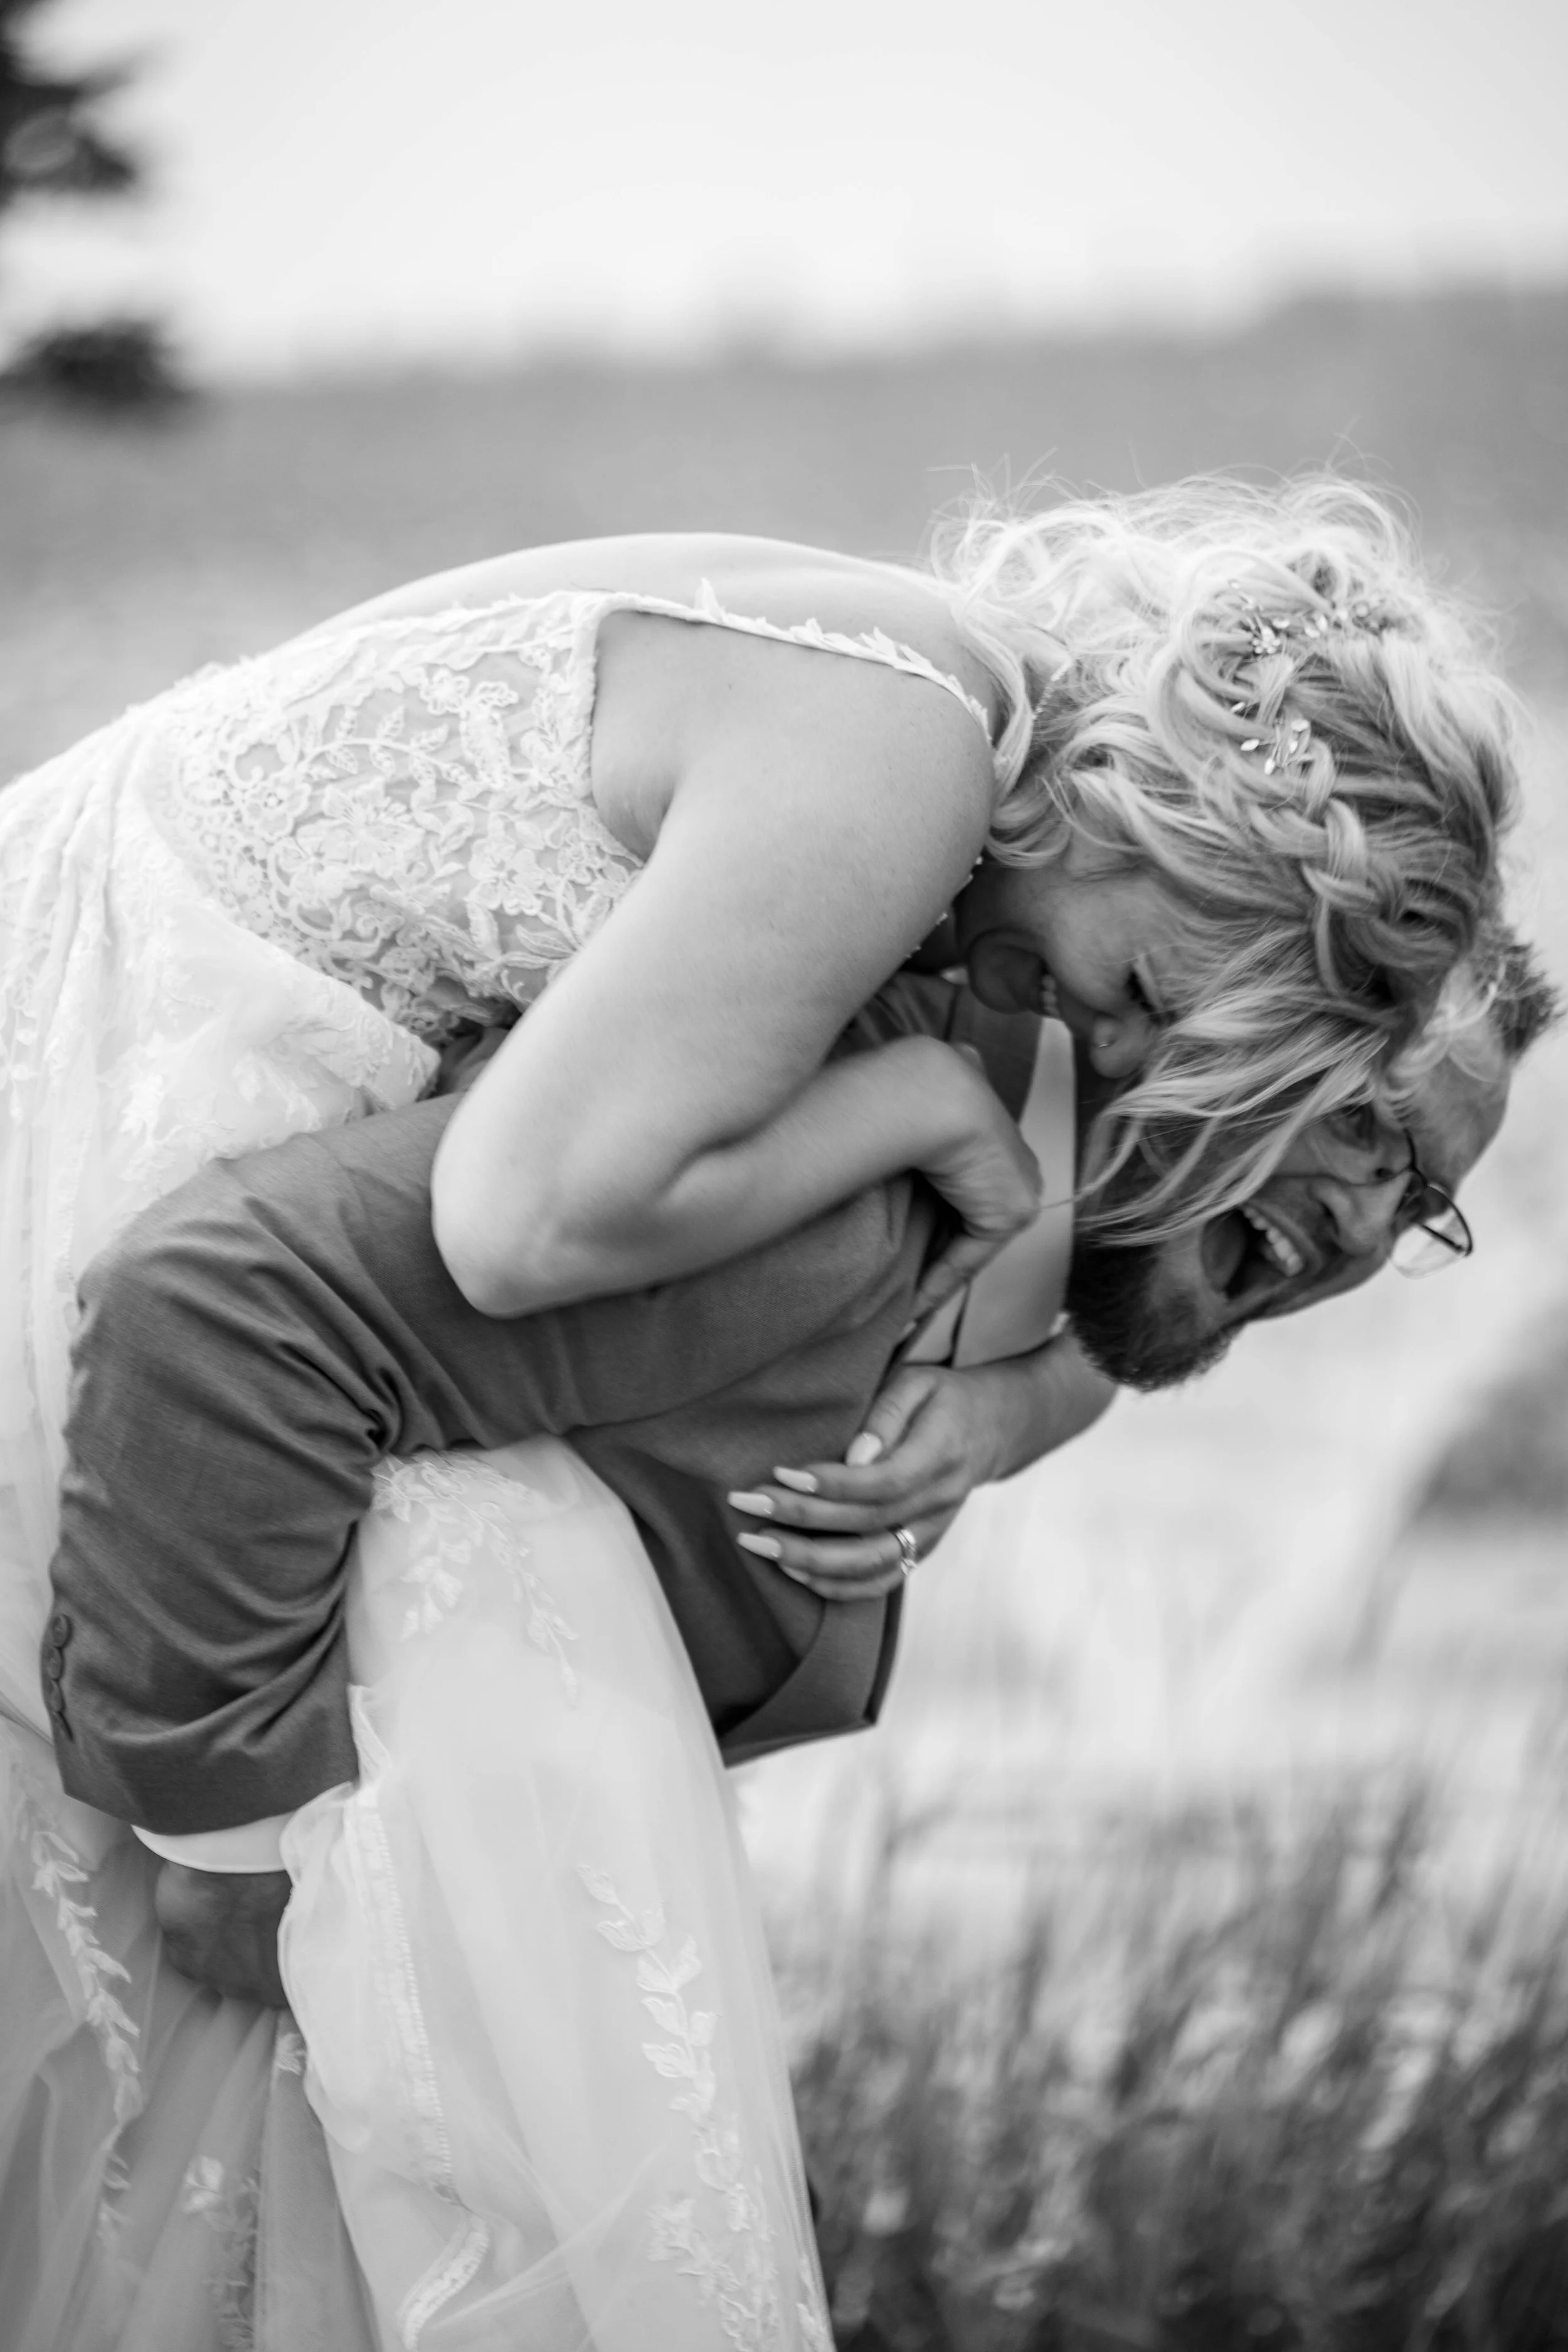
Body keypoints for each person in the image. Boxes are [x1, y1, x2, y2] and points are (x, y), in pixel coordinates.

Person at [0, 478, 1525, 2346]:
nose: (1102, 1061)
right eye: (1146, 996)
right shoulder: (904, 748)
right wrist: (906, 1121)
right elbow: (514, 1213)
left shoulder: (957, 817)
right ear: (1144, 801)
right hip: (97, 1059)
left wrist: (1003, 1393)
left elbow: (1095, 1287)